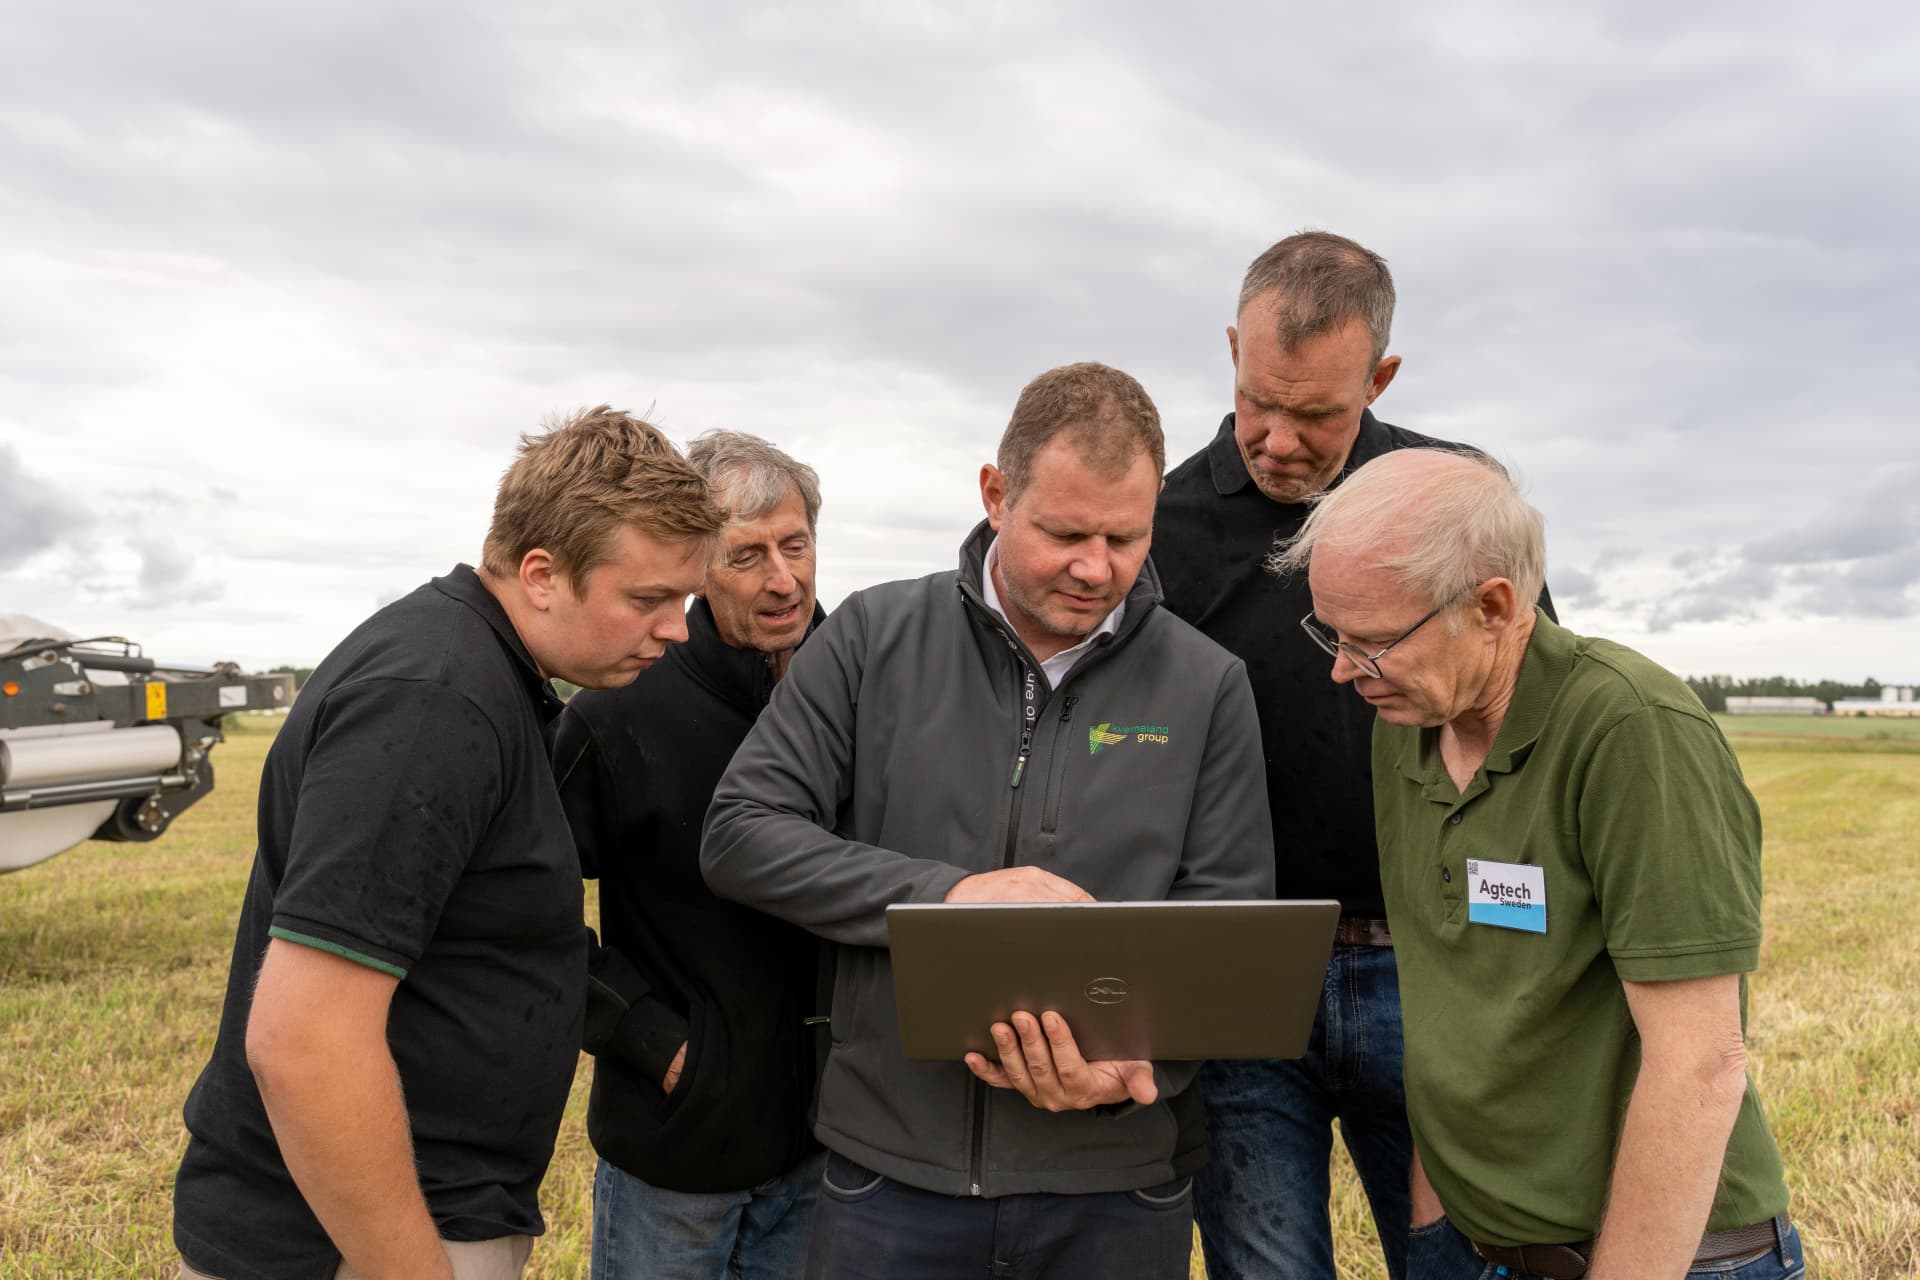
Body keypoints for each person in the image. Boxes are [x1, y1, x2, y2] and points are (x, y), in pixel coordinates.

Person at [700, 362, 1275, 1280]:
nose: (1097, 567)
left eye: (1126, 537)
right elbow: (741, 832)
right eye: (1065, 532)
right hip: (890, 1180)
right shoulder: (870, 637)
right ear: (996, 494)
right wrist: (949, 895)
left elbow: (1232, 927)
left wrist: (1130, 1076)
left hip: (1117, 1194)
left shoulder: (1209, 686)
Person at [172, 406, 727, 1280]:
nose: (677, 629)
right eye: (649, 599)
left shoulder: (485, 671)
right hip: (351, 1239)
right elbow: (304, 1041)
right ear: (541, 573)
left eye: (686, 600)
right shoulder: (436, 699)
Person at [1274, 447, 1803, 1280]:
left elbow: (1700, 1064)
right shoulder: (1401, 725)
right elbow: (1446, 991)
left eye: (1372, 641)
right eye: (1331, 634)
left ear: (1493, 605)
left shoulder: (1633, 731)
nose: (1343, 670)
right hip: (1471, 1245)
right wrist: (1432, 1229)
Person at [1153, 230, 1552, 1280]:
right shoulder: (1154, 529)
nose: (1277, 440)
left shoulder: (1461, 509)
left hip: (1434, 965)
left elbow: (1532, 719)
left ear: (1380, 377)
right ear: (1233, 347)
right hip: (1242, 973)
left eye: (1318, 414)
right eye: (1255, 401)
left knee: (1462, 1260)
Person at [553, 431, 830, 1279]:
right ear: (696, 565)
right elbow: (524, 911)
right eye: (747, 556)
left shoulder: (866, 687)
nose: (783, 579)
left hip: (832, 1154)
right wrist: (653, 1041)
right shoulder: (618, 710)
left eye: (797, 545)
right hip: (675, 1156)